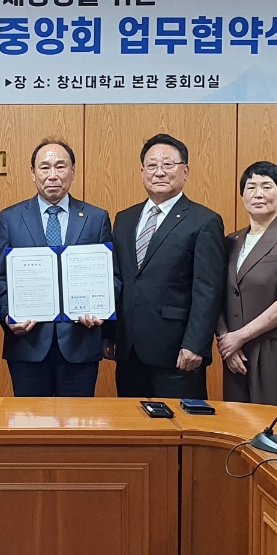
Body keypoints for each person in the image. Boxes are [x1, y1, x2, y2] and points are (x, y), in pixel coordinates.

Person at [106, 134, 226, 400]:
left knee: (179, 421)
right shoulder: (124, 219)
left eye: (168, 164)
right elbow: (117, 280)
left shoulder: (204, 221)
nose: (159, 172)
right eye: (151, 165)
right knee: (130, 420)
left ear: (185, 171)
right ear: (142, 172)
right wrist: (108, 335)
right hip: (128, 350)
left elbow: (208, 289)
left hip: (177, 351)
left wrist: (195, 344)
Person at [0, 139, 114, 397]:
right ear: (33, 173)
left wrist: (102, 311)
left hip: (80, 343)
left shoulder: (96, 218)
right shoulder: (10, 218)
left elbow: (110, 276)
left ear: (73, 171)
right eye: (44, 167)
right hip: (28, 343)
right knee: (29, 419)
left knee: (78, 420)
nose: (52, 175)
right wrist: (8, 315)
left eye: (60, 166)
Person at [218, 162, 277, 405]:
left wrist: (240, 337)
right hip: (233, 351)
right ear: (242, 195)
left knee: (271, 423)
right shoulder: (231, 241)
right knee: (234, 422)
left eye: (267, 187)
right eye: (251, 187)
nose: (258, 194)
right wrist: (226, 339)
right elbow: (217, 293)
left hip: (273, 350)